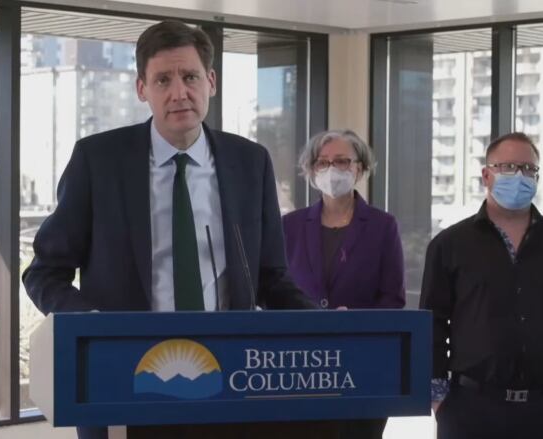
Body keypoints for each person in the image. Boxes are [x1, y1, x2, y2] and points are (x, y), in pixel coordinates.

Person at [22, 20, 315, 439]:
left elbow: (271, 278)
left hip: (227, 380)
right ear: (142, 89)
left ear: (210, 82)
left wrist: (325, 323)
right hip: (124, 377)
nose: (180, 92)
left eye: (190, 76)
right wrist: (91, 323)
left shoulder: (250, 162)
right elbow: (44, 272)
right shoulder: (98, 160)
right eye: (163, 79)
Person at [420, 132, 543, 439]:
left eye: (529, 169)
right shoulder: (449, 244)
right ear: (486, 175)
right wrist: (439, 400)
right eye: (508, 167)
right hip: (468, 410)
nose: (520, 176)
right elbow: (433, 324)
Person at [282, 129, 405, 438]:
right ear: (310, 171)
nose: (331, 169)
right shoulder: (290, 226)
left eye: (341, 161)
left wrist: (355, 320)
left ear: (360, 169)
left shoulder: (382, 226)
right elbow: (276, 291)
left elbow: (393, 299)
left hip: (362, 365)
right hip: (302, 365)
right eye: (322, 163)